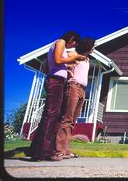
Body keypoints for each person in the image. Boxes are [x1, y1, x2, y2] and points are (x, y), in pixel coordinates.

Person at [28, 31, 85, 161]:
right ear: (71, 38)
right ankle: (46, 152)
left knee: (49, 115)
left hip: (54, 80)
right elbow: (58, 59)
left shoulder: (58, 46)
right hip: (55, 82)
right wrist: (74, 58)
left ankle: (36, 150)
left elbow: (52, 65)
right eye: (74, 42)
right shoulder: (61, 42)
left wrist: (67, 69)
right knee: (52, 116)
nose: (73, 45)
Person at [55, 37, 95, 159]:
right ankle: (58, 151)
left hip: (82, 90)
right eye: (93, 45)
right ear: (88, 45)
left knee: (72, 121)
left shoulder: (87, 59)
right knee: (66, 118)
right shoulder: (74, 54)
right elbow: (61, 64)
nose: (94, 48)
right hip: (73, 87)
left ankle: (66, 150)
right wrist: (69, 73)